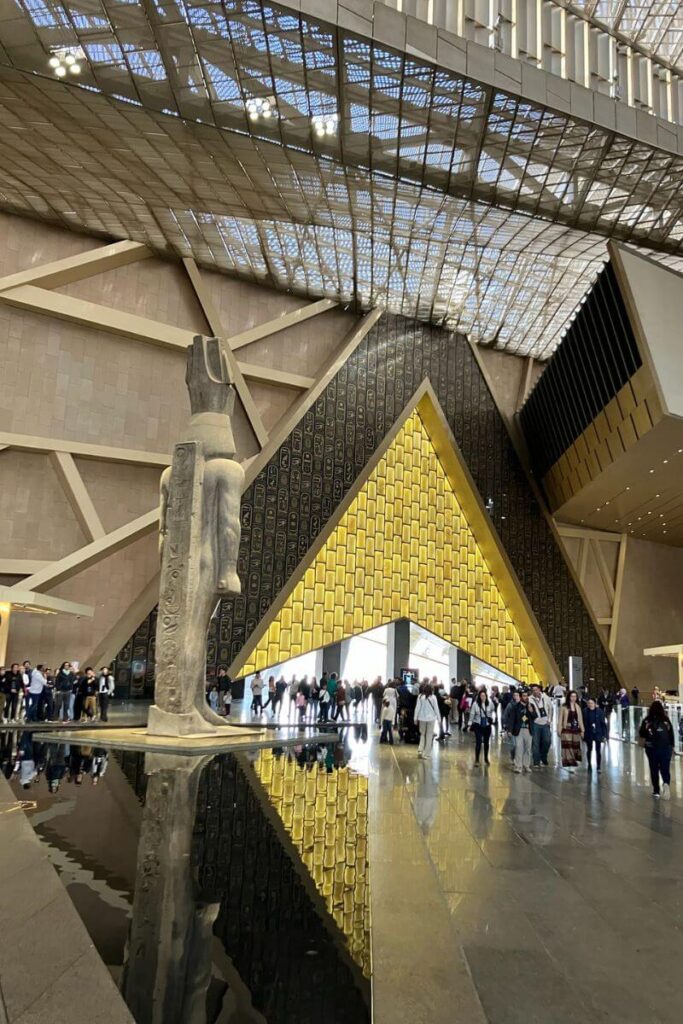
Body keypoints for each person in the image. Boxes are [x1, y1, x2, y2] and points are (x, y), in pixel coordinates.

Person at [638, 700, 675, 800]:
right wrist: (672, 746)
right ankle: (666, 783)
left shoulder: (647, 720)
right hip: (665, 748)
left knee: (654, 768)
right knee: (665, 768)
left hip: (651, 748)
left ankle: (656, 791)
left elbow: (642, 733)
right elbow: (671, 735)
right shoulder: (666, 720)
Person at [557, 691, 584, 773]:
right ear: (569, 697)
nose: (573, 698)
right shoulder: (564, 707)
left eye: (575, 696)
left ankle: (574, 761)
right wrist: (559, 730)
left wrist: (582, 730)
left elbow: (580, 720)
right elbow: (560, 719)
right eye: (572, 696)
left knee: (575, 746)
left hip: (575, 729)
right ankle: (570, 764)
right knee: (568, 747)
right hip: (566, 729)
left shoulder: (578, 707)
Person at [509, 691, 535, 773]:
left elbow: (535, 716)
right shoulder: (516, 707)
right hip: (519, 729)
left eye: (527, 696)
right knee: (519, 748)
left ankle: (526, 765)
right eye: (524, 696)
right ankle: (518, 766)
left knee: (528, 748)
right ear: (520, 697)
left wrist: (531, 711)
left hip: (528, 729)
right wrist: (510, 730)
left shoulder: (531, 706)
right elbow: (512, 719)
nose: (526, 697)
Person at [469, 687, 495, 766]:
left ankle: (486, 758)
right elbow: (472, 714)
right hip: (478, 725)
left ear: (486, 696)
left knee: (486, 743)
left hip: (487, 726)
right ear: (479, 696)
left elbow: (493, 710)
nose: (483, 697)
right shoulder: (475, 704)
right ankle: (477, 760)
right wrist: (469, 724)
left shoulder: (490, 703)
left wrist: (490, 717)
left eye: (484, 696)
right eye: (481, 696)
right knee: (478, 742)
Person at [529, 684, 553, 768]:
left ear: (539, 690)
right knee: (535, 743)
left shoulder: (546, 698)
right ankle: (536, 761)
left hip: (545, 723)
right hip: (535, 723)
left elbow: (550, 709)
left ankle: (543, 756)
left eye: (536, 689)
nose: (535, 691)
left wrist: (549, 720)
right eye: (533, 690)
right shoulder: (530, 699)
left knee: (547, 741)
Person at [414, 684, 440, 759]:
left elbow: (417, 708)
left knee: (422, 734)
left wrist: (415, 718)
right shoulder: (433, 697)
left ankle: (420, 750)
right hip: (431, 719)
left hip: (421, 718)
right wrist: (439, 719)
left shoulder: (420, 697)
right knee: (429, 735)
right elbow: (436, 708)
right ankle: (426, 753)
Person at [583, 697, 608, 772]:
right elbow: (583, 722)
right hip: (589, 733)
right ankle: (589, 764)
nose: (590, 705)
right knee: (589, 749)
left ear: (595, 704)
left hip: (598, 732)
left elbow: (603, 723)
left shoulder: (600, 711)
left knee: (598, 750)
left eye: (592, 703)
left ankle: (598, 766)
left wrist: (605, 735)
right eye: (589, 703)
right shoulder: (585, 711)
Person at [503, 690, 521, 763]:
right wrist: (506, 726)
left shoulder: (522, 705)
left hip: (520, 728)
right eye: (514, 695)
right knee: (514, 745)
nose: (516, 697)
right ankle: (513, 756)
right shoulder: (510, 705)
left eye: (517, 695)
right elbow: (505, 715)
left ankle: (518, 759)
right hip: (511, 728)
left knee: (519, 745)